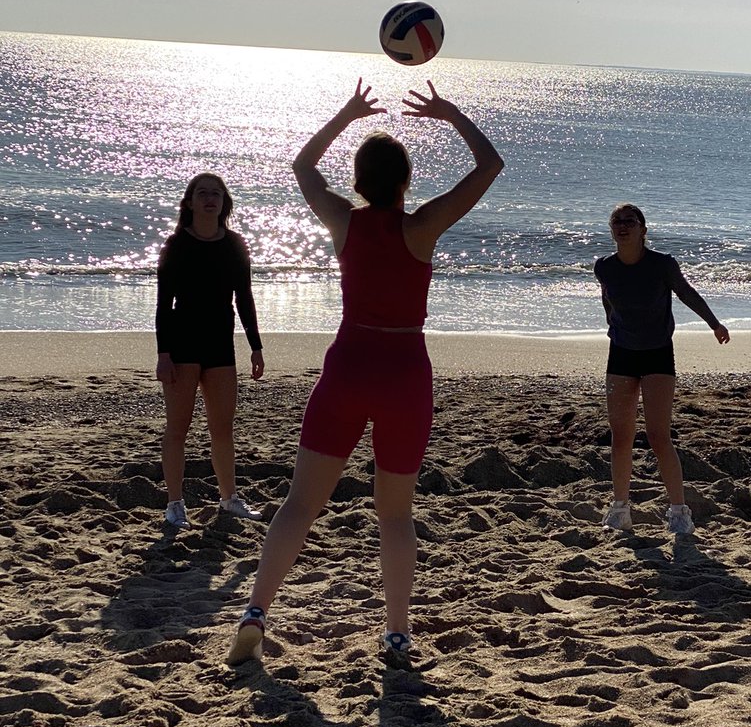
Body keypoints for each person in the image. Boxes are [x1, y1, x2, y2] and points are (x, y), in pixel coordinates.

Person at [226, 79, 504, 666]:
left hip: (349, 365)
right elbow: (490, 164)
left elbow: (303, 166)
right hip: (404, 373)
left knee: (300, 504)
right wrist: (451, 115)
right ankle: (397, 633)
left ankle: (255, 610)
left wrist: (345, 115)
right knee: (396, 513)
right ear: (405, 181)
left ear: (358, 181)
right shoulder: (420, 227)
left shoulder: (344, 223)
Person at [594, 202, 729, 536]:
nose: (622, 226)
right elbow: (607, 298)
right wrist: (612, 324)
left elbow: (685, 293)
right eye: (616, 221)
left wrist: (714, 323)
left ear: (643, 228)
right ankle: (620, 509)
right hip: (621, 353)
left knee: (658, 436)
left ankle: (679, 511)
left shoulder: (662, 264)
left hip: (657, 353)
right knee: (621, 436)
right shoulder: (604, 267)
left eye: (629, 221)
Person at [155, 172, 265, 529]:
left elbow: (244, 298)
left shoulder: (235, 244)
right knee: (178, 428)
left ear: (224, 202)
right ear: (189, 202)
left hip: (221, 344)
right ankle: (175, 504)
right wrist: (164, 354)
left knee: (222, 428)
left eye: (216, 193)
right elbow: (163, 303)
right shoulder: (176, 244)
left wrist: (256, 346)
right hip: (182, 343)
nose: (209, 199)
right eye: (202, 193)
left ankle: (230, 499)